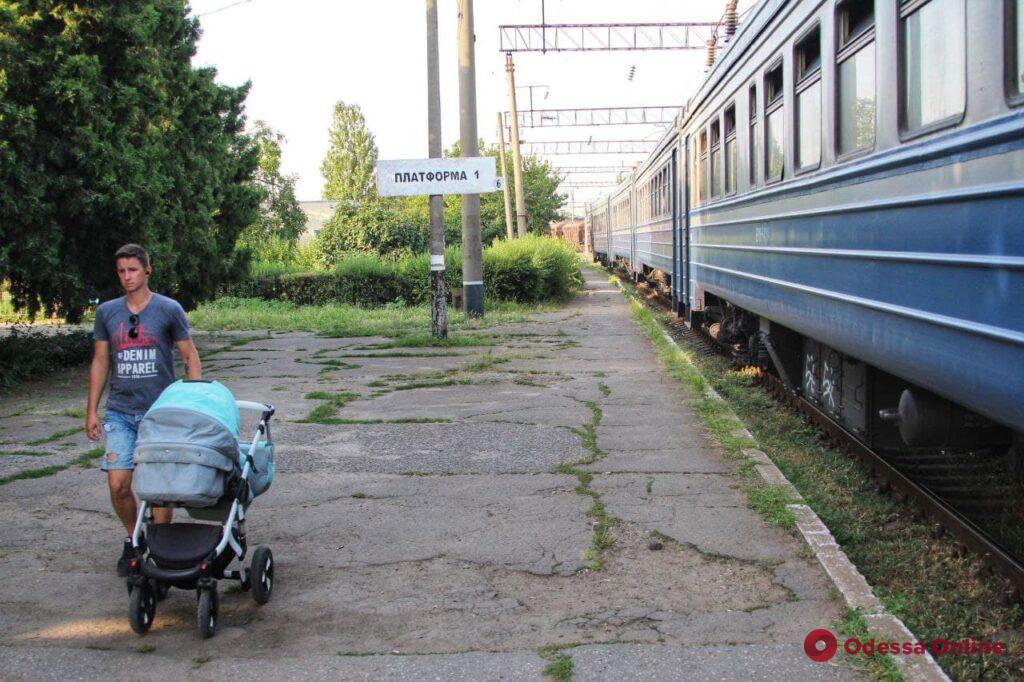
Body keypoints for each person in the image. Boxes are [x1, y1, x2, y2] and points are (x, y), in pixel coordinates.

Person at [85, 244, 202, 576]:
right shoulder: (107, 312)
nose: (126, 277)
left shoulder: (168, 309)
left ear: (147, 271)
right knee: (118, 484)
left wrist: (190, 405)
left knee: (161, 489)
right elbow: (100, 360)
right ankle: (134, 540)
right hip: (120, 413)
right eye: (121, 271)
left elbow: (189, 357)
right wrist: (91, 410)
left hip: (160, 413)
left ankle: (161, 547)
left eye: (132, 270)